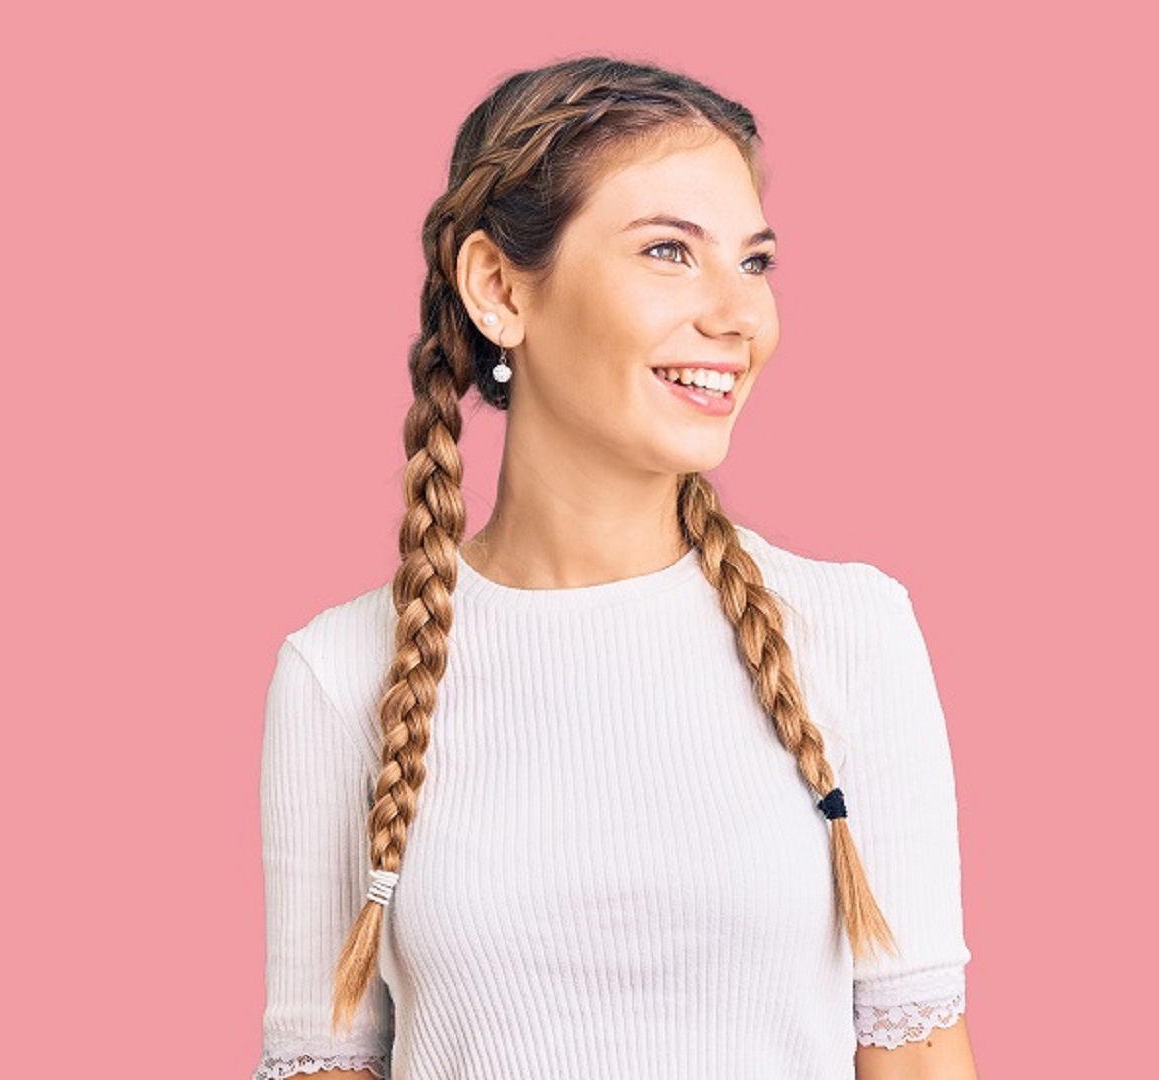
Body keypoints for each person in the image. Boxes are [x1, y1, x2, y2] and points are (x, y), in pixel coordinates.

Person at [251, 55, 977, 1080]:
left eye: (754, 262)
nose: (739, 315)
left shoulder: (852, 630)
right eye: (669, 251)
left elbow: (916, 1057)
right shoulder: (340, 674)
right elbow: (324, 1064)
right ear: (499, 289)